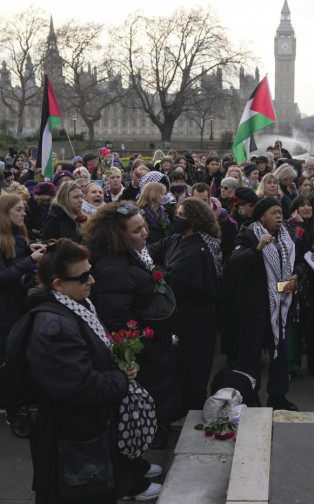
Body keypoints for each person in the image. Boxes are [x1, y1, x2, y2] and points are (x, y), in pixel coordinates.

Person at [25, 238, 162, 503]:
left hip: (87, 425)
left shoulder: (77, 305)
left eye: (91, 272)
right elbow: (78, 385)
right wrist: (120, 378)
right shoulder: (53, 326)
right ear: (58, 285)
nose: (92, 281)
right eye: (84, 277)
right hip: (72, 435)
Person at [84, 202, 182, 446]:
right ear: (117, 235)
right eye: (137, 230)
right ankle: (141, 451)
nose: (145, 233)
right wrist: (145, 340)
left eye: (144, 227)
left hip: (151, 348)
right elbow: (116, 320)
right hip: (141, 353)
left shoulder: (131, 255)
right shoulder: (112, 269)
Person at [227, 198, 302, 411]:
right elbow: (233, 264)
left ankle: (278, 396)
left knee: (281, 353)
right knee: (250, 357)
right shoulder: (248, 235)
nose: (279, 216)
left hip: (281, 306)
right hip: (255, 308)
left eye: (280, 212)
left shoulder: (288, 236)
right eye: (274, 212)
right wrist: (257, 249)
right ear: (262, 216)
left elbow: (298, 260)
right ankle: (249, 398)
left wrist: (297, 274)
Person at [148, 198, 222, 412]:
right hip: (182, 316)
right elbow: (154, 250)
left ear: (195, 221)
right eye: (177, 214)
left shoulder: (197, 249)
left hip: (196, 319)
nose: (176, 218)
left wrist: (155, 270)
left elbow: (173, 280)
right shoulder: (176, 239)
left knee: (194, 363)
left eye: (181, 215)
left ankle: (193, 408)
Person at [0, 194, 46, 437]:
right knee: (10, 361)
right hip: (6, 311)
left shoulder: (16, 237)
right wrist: (30, 260)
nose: (23, 213)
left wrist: (29, 248)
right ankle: (12, 409)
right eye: (18, 209)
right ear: (5, 213)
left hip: (18, 308)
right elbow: (3, 277)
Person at [285, 195, 314, 378]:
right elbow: (292, 249)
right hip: (293, 279)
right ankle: (292, 366)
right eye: (302, 205)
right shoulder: (288, 226)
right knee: (294, 325)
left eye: (309, 204)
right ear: (295, 209)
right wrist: (300, 226)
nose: (307, 207)